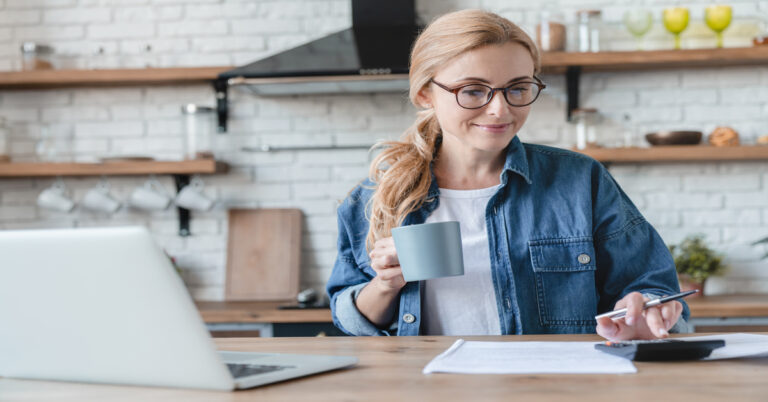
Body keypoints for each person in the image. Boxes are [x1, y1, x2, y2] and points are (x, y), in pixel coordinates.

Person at [326, 9, 689, 340]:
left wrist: (651, 311)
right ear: (425, 93)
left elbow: (651, 285)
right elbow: (350, 317)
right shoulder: (375, 196)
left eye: (517, 88)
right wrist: (386, 286)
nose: (500, 110)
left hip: (557, 386)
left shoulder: (580, 180)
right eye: (472, 91)